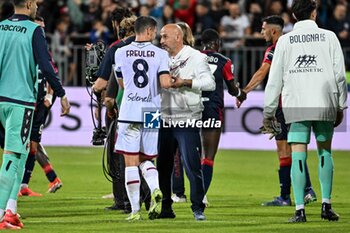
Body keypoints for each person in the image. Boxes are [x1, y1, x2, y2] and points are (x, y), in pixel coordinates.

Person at [263, 0, 347, 222]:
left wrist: (269, 110)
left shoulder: (285, 41)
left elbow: (275, 78)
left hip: (297, 102)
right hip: (323, 101)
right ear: (314, 13)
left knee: (298, 154)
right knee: (324, 152)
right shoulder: (329, 37)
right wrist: (341, 105)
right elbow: (340, 75)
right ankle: (326, 206)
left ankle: (299, 209)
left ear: (293, 15)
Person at [0, 0, 70, 230]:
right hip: (20, 101)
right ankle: (1, 215)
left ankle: (11, 210)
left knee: (18, 155)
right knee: (12, 157)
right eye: (35, 4)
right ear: (28, 4)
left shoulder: (0, 27)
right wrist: (60, 93)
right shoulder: (33, 30)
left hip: (1, 100)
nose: (37, 7)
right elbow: (46, 66)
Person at [237, 15, 317, 207]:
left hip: (283, 104)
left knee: (284, 150)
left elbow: (262, 72)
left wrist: (244, 91)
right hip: (299, 101)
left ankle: (287, 196)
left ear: (273, 31)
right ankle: (306, 190)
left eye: (263, 28)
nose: (261, 32)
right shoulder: (295, 46)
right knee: (294, 147)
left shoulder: (275, 48)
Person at [113, 16, 173, 221]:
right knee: (147, 158)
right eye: (155, 32)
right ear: (148, 31)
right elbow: (165, 82)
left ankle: (135, 211)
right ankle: (156, 189)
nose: (155, 36)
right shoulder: (160, 54)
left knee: (131, 162)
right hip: (151, 111)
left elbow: (121, 84)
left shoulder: (120, 52)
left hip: (129, 110)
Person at [158, 23, 216, 221]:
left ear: (178, 37)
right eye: (160, 37)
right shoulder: (160, 57)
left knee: (192, 166)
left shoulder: (197, 57)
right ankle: (166, 208)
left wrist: (185, 82)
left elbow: (210, 83)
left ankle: (198, 208)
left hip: (187, 119)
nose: (161, 40)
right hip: (164, 118)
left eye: (165, 36)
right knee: (163, 166)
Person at [19, 14, 62, 197]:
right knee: (27, 144)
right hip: (22, 102)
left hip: (39, 105)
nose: (41, 33)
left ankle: (23, 185)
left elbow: (52, 75)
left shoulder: (44, 52)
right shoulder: (23, 49)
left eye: (43, 29)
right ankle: (47, 178)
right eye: (39, 29)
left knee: (31, 144)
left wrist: (50, 97)